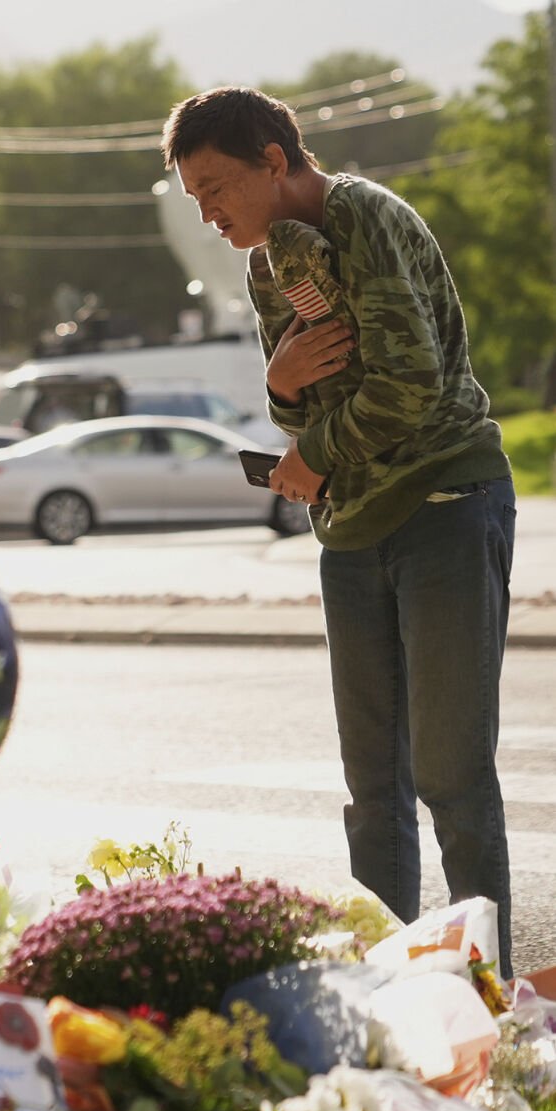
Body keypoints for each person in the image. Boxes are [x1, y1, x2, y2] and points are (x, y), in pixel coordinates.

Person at [163, 87, 518, 974]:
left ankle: (491, 995)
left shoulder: (364, 216)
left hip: (442, 505)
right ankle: (392, 997)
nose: (207, 212)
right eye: (192, 199)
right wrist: (284, 393)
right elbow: (307, 401)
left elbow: (411, 387)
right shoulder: (264, 263)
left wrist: (312, 450)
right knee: (372, 792)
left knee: (450, 780)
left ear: (273, 161)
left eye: (215, 188)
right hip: (350, 531)